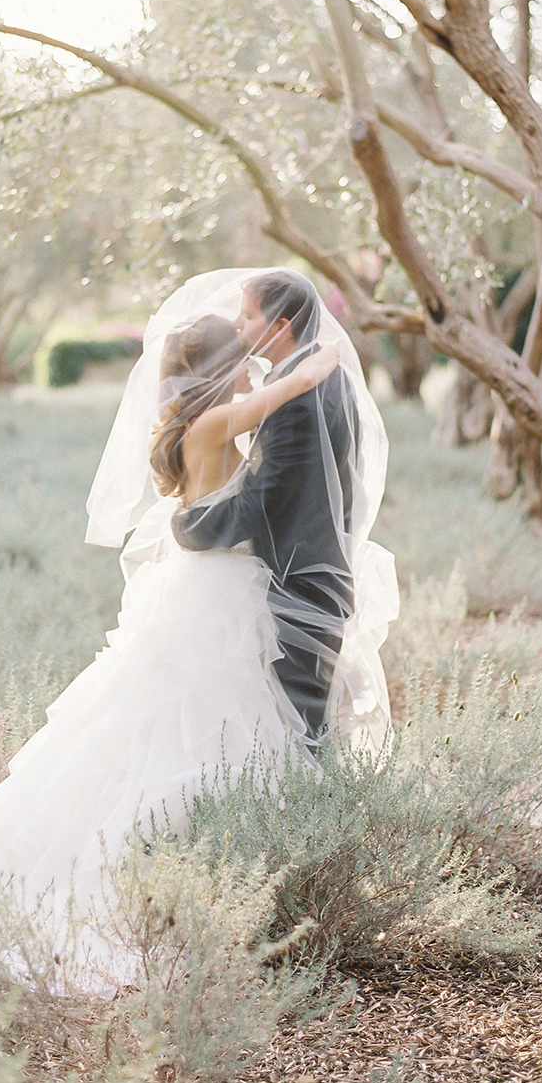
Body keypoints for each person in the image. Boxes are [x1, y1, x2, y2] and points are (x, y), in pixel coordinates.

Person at [0, 268, 395, 984]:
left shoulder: (202, 419)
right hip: (220, 587)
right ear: (219, 370)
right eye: (238, 346)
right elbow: (264, 433)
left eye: (252, 326)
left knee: (208, 721)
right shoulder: (224, 420)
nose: (249, 352)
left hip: (230, 587)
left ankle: (248, 882)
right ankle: (224, 887)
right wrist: (317, 365)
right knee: (221, 723)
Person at [172, 270, 358, 747]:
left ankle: (312, 813)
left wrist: (191, 529)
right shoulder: (305, 376)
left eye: (247, 314)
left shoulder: (296, 395)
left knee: (296, 726)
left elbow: (262, 499)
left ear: (280, 326)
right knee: (283, 722)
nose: (238, 325)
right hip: (294, 573)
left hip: (298, 581)